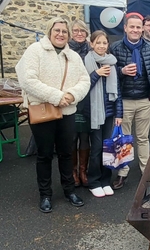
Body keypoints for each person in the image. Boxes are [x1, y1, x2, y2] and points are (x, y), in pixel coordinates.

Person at [15, 17, 90, 213]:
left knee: (66, 153)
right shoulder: (35, 51)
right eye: (57, 30)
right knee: (45, 155)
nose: (60, 34)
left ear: (68, 35)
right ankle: (45, 194)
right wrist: (57, 96)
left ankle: (69, 190)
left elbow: (85, 80)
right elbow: (27, 80)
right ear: (50, 31)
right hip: (43, 111)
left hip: (67, 111)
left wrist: (71, 95)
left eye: (64, 31)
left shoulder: (73, 56)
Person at [110, 13, 150, 190]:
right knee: (124, 139)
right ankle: (122, 173)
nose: (135, 30)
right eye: (132, 27)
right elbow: (109, 73)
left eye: (138, 27)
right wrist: (121, 71)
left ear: (142, 29)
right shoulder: (115, 48)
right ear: (125, 28)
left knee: (142, 138)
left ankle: (145, 172)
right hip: (124, 101)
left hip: (144, 101)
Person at [84, 30, 123, 198]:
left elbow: (118, 92)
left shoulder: (112, 62)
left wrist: (119, 114)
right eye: (97, 42)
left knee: (109, 148)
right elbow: (83, 89)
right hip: (93, 113)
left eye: (104, 43)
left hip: (108, 113)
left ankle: (106, 180)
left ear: (108, 45)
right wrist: (96, 75)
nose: (101, 46)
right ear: (91, 44)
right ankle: (94, 181)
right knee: (97, 148)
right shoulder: (86, 62)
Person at [68, 19, 90, 187]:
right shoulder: (66, 50)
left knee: (84, 136)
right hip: (71, 99)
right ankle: (73, 171)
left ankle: (83, 170)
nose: (79, 33)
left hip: (88, 99)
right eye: (76, 30)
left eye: (82, 31)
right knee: (71, 136)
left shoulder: (91, 50)